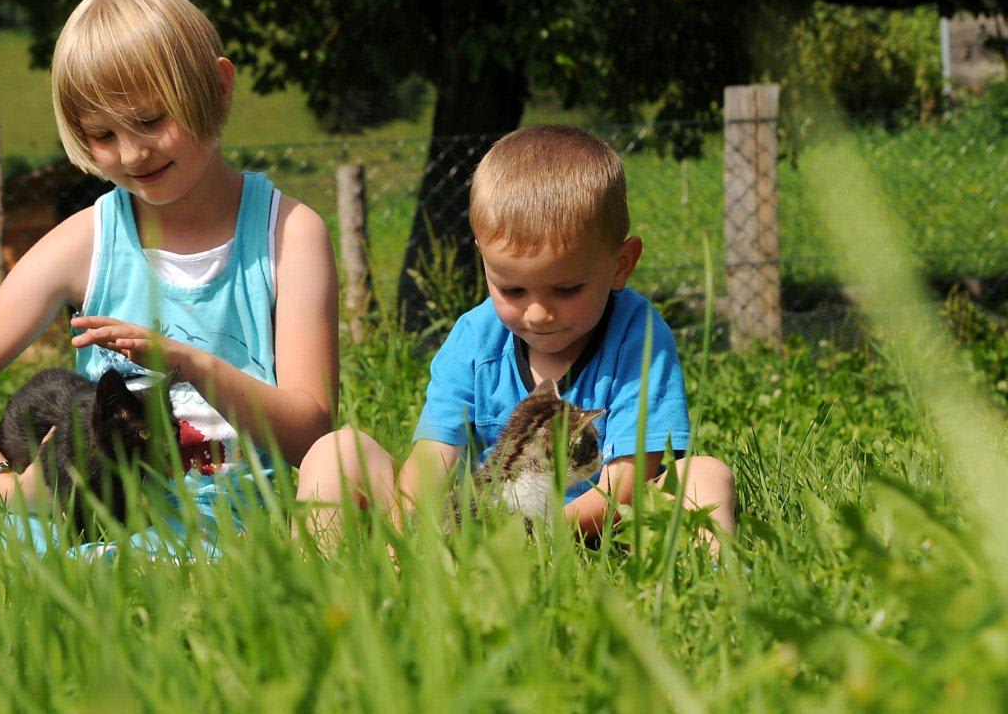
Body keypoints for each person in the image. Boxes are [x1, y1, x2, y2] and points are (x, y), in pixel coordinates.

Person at [0, 0, 338, 562]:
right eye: (103, 135)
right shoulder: (86, 242)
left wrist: (191, 366)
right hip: (96, 525)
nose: (133, 153)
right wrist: (4, 489)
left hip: (232, 537)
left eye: (152, 120)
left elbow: (313, 434)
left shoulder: (288, 234)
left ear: (217, 88)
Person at [296, 125, 735, 552]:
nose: (538, 313)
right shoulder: (475, 336)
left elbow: (626, 482)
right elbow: (432, 460)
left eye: (567, 290)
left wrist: (527, 537)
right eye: (512, 289)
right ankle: (319, 585)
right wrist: (407, 540)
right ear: (484, 260)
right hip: (477, 525)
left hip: (603, 528)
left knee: (704, 476)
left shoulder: (637, 336)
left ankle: (716, 585)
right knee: (338, 451)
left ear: (621, 264)